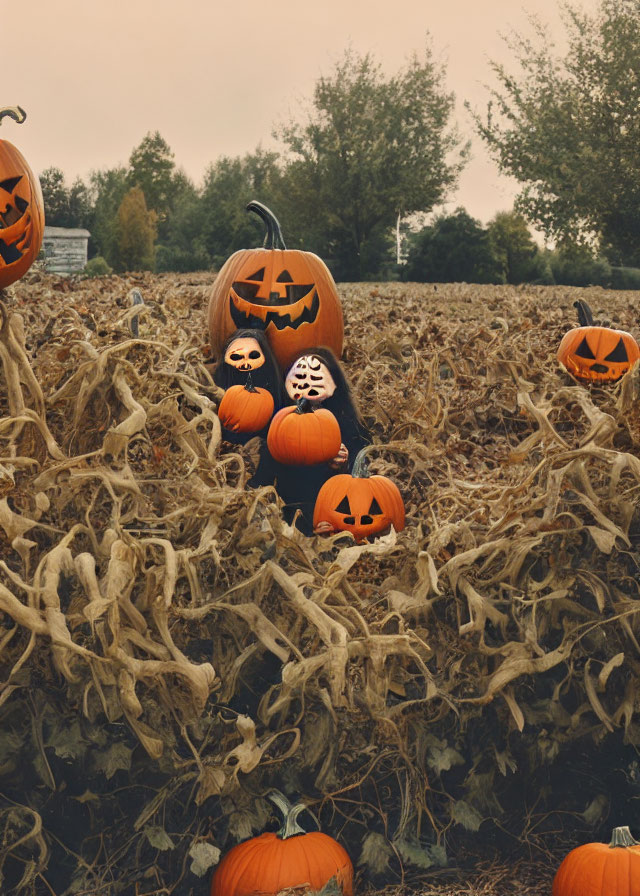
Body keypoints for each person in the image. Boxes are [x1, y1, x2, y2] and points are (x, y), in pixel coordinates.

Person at [249, 347, 370, 534]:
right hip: (289, 513)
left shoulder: (348, 426)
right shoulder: (280, 422)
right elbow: (263, 482)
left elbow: (364, 485)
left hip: (333, 509)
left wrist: (344, 467)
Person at [212, 328, 286, 443]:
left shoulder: (273, 391)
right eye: (236, 357)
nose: (246, 364)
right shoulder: (218, 385)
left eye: (253, 356)